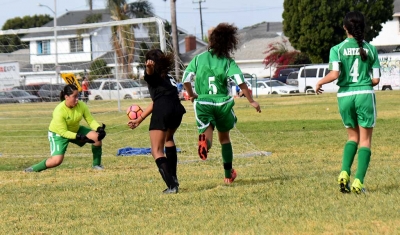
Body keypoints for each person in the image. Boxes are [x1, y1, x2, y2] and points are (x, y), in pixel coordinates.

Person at [182, 23, 261, 184]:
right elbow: (240, 81)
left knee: (207, 132)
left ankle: (205, 143)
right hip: (222, 102)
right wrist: (251, 101)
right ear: (229, 43)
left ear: (211, 41)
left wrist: (192, 94)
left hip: (203, 101)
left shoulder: (198, 59)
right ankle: (227, 175)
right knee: (224, 138)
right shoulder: (227, 62)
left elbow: (185, 79)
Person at [315, 11, 380, 194]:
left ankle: (344, 172)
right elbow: (376, 80)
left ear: (345, 27)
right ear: (363, 27)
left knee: (352, 137)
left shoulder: (337, 49)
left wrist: (320, 82)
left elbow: (334, 74)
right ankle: (358, 182)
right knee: (365, 141)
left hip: (344, 96)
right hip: (364, 94)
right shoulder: (371, 49)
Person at [128, 49, 186, 194]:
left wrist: (149, 67)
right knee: (168, 138)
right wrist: (140, 119)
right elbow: (157, 100)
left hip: (164, 110)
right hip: (177, 109)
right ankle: (173, 177)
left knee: (156, 151)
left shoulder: (152, 74)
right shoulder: (168, 77)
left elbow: (149, 74)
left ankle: (172, 186)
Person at [24, 84, 106, 172]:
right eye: (74, 96)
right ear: (66, 97)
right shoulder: (59, 111)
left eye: (78, 96)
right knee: (56, 161)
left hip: (75, 130)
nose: (77, 99)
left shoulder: (81, 105)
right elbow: (63, 132)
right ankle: (32, 169)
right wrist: (78, 136)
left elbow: (90, 120)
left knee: (96, 137)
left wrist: (99, 129)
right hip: (59, 134)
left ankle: (96, 165)